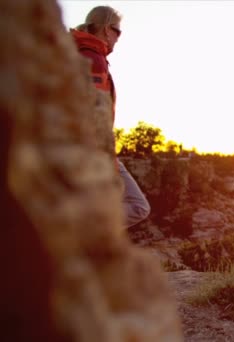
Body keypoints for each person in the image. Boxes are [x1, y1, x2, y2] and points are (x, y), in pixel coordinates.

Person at [71, 6, 150, 228]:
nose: (118, 38)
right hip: (93, 152)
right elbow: (91, 112)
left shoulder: (77, 54)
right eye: (118, 31)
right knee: (138, 206)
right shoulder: (92, 59)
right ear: (106, 30)